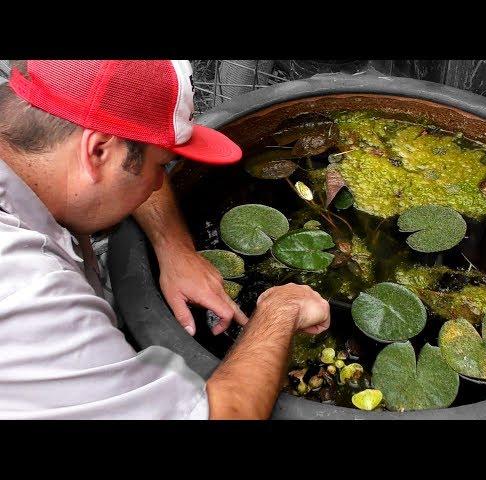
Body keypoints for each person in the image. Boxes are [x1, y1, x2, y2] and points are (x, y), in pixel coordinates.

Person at [0, 60, 330, 420]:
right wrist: (281, 310)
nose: (160, 185)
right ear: (96, 152)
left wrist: (174, 247)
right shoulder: (33, 297)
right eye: (161, 166)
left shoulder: (27, 137)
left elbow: (123, 155)